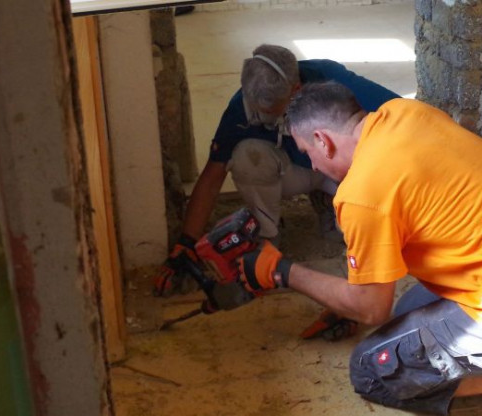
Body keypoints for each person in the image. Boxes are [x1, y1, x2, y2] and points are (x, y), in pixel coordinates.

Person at [231, 81, 482, 415]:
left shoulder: (362, 194)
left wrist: (282, 271)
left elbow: (370, 309)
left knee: (371, 371)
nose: (314, 167)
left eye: (308, 153)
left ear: (323, 140)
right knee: (405, 315)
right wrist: (345, 296)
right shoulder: (405, 113)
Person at [153, 45, 399, 300]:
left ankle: (332, 201)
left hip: (336, 169)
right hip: (293, 171)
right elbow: (212, 177)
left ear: (296, 90)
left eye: (271, 112)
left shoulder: (330, 80)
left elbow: (396, 115)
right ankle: (267, 239)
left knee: (365, 228)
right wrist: (186, 243)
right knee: (248, 155)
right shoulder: (241, 107)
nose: (261, 116)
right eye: (257, 109)